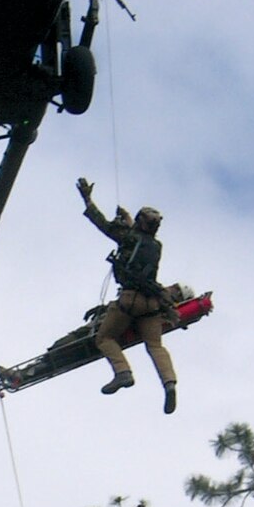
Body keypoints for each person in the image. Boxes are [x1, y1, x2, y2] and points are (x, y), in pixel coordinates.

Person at [76, 177, 178, 412]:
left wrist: (87, 199)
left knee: (104, 338)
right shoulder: (156, 246)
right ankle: (169, 382)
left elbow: (102, 224)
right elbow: (139, 240)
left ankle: (123, 372)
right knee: (155, 346)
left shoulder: (128, 237)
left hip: (129, 301)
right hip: (152, 303)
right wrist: (130, 220)